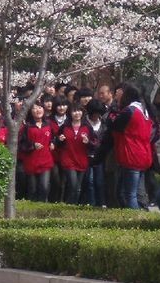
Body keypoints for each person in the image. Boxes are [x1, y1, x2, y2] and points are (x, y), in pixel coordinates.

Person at [104, 83, 154, 211]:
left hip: (132, 154)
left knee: (129, 194)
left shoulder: (130, 111)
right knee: (125, 192)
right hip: (143, 154)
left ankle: (136, 220)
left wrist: (112, 112)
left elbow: (114, 124)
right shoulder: (144, 110)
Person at [17, 101, 57, 202]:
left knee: (44, 187)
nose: (38, 110)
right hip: (31, 162)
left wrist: (53, 143)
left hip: (45, 160)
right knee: (33, 189)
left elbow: (53, 137)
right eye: (34, 108)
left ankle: (43, 210)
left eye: (40, 107)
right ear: (30, 111)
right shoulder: (27, 127)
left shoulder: (48, 124)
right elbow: (21, 144)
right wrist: (32, 146)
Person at [56, 102, 93, 206]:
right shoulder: (65, 127)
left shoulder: (87, 127)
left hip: (82, 160)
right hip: (68, 159)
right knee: (73, 184)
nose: (77, 113)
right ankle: (69, 205)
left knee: (77, 188)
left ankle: (72, 206)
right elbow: (57, 142)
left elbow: (95, 143)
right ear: (70, 113)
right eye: (74, 111)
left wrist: (88, 142)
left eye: (79, 110)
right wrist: (60, 140)